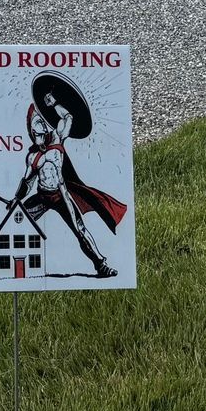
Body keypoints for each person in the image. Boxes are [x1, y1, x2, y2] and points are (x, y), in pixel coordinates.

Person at [13, 86, 126, 279]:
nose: (40, 123)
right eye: (35, 121)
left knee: (79, 229)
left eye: (40, 120)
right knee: (16, 222)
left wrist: (54, 103)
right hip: (42, 196)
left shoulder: (57, 139)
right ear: (31, 129)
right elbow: (27, 181)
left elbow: (68, 118)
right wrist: (16, 200)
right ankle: (4, 264)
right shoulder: (32, 156)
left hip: (61, 195)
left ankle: (101, 264)